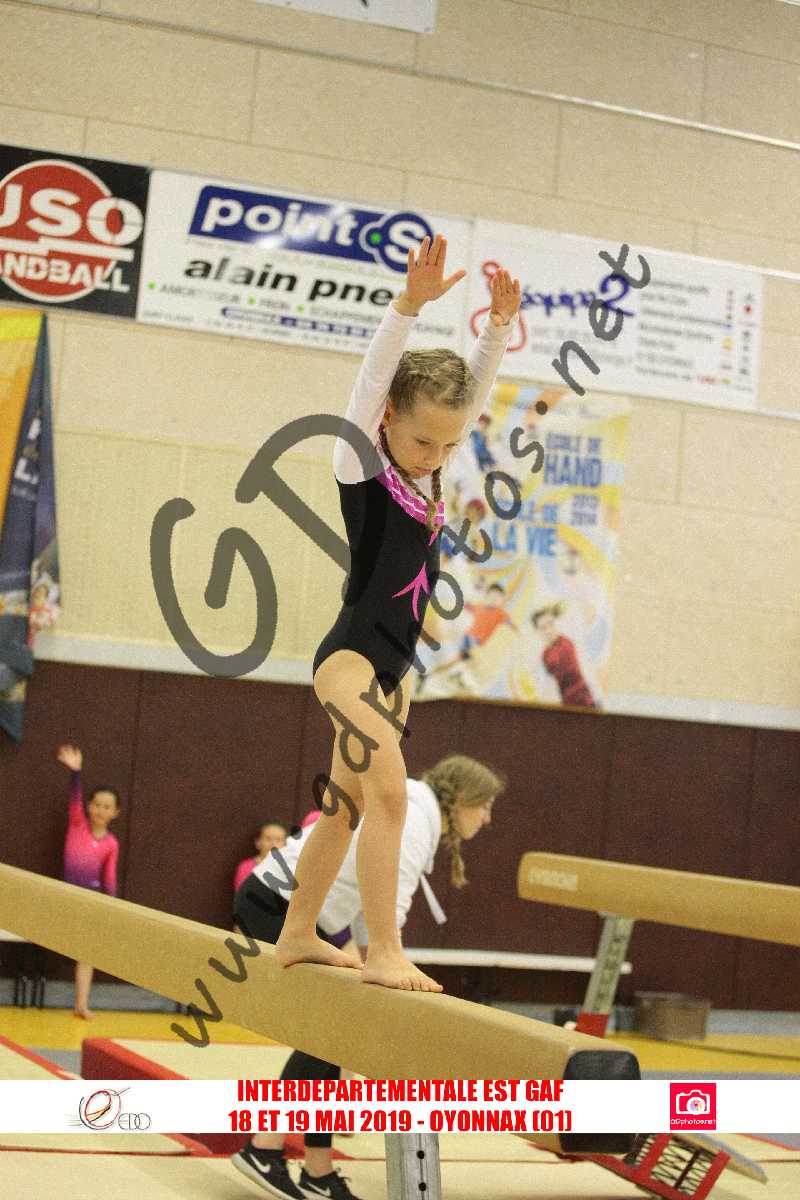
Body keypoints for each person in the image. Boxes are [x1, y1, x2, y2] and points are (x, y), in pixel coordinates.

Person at [274, 233, 520, 992]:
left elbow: (468, 400)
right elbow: (370, 381)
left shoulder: (430, 468)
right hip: (349, 663)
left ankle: (297, 932)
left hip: (392, 674)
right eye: (421, 440)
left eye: (448, 445)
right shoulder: (362, 462)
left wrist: (497, 331)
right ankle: (384, 947)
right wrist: (407, 306)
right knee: (389, 795)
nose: (434, 454)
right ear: (386, 420)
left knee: (345, 808)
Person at [232, 754, 504, 1200]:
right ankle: (266, 1147)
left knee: (334, 1036)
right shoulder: (414, 813)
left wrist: (370, 959)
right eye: (485, 805)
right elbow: (390, 892)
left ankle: (315, 1170)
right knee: (327, 1036)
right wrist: (388, 957)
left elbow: (368, 893)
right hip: (278, 905)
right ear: (462, 799)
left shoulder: (416, 807)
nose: (488, 818)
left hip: (290, 909)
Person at [56, 744, 120, 1019]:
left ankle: (81, 1004)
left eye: (107, 807)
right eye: (97, 805)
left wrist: (111, 906)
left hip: (90, 899)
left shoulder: (111, 843)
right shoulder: (77, 824)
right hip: (66, 895)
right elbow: (74, 799)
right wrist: (76, 773)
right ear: (89, 806)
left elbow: (110, 878)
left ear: (115, 812)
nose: (101, 810)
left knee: (87, 952)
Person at [233, 821, 290, 893]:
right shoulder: (245, 867)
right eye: (268, 839)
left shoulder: (291, 868)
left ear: (285, 845)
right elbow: (242, 894)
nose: (273, 844)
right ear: (258, 842)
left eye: (278, 840)